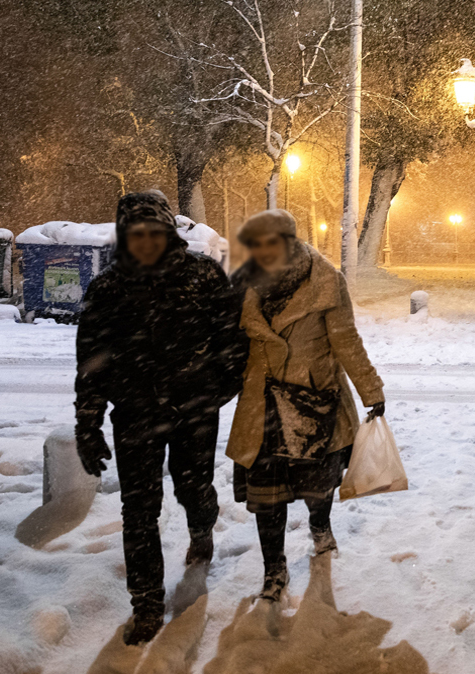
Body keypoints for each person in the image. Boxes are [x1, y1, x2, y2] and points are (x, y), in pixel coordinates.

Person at [74, 190, 247, 645]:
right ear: (125, 236)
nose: (146, 241)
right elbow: (91, 363)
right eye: (137, 233)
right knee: (139, 511)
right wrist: (87, 424)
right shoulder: (108, 288)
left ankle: (201, 528)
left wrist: (214, 392)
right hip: (134, 416)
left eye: (154, 232)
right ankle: (146, 601)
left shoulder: (203, 275)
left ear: (168, 232)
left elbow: (232, 341)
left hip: (194, 413)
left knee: (194, 488)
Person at [227, 209, 386, 602]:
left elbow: (346, 340)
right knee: (266, 497)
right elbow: (226, 344)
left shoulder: (325, 280)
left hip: (314, 402)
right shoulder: (244, 283)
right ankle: (274, 569)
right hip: (261, 406)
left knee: (317, 489)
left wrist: (372, 391)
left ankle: (320, 525)